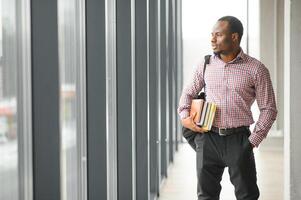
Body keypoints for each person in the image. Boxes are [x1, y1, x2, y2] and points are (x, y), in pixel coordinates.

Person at [177, 16, 277, 200]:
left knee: (247, 195)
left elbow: (269, 108)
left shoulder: (256, 69)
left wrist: (252, 141)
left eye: (218, 34)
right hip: (208, 138)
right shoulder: (205, 64)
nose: (212, 39)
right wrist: (185, 117)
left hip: (239, 140)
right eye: (211, 35)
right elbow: (187, 94)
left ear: (234, 37)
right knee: (206, 196)